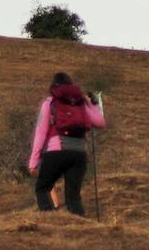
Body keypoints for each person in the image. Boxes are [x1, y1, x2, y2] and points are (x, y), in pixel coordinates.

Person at [27, 74, 105, 217]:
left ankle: (49, 220)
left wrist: (33, 161)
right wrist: (93, 105)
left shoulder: (50, 103)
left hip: (57, 151)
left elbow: (41, 132)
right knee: (73, 196)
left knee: (42, 188)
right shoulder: (82, 103)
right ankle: (80, 229)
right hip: (79, 153)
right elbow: (100, 122)